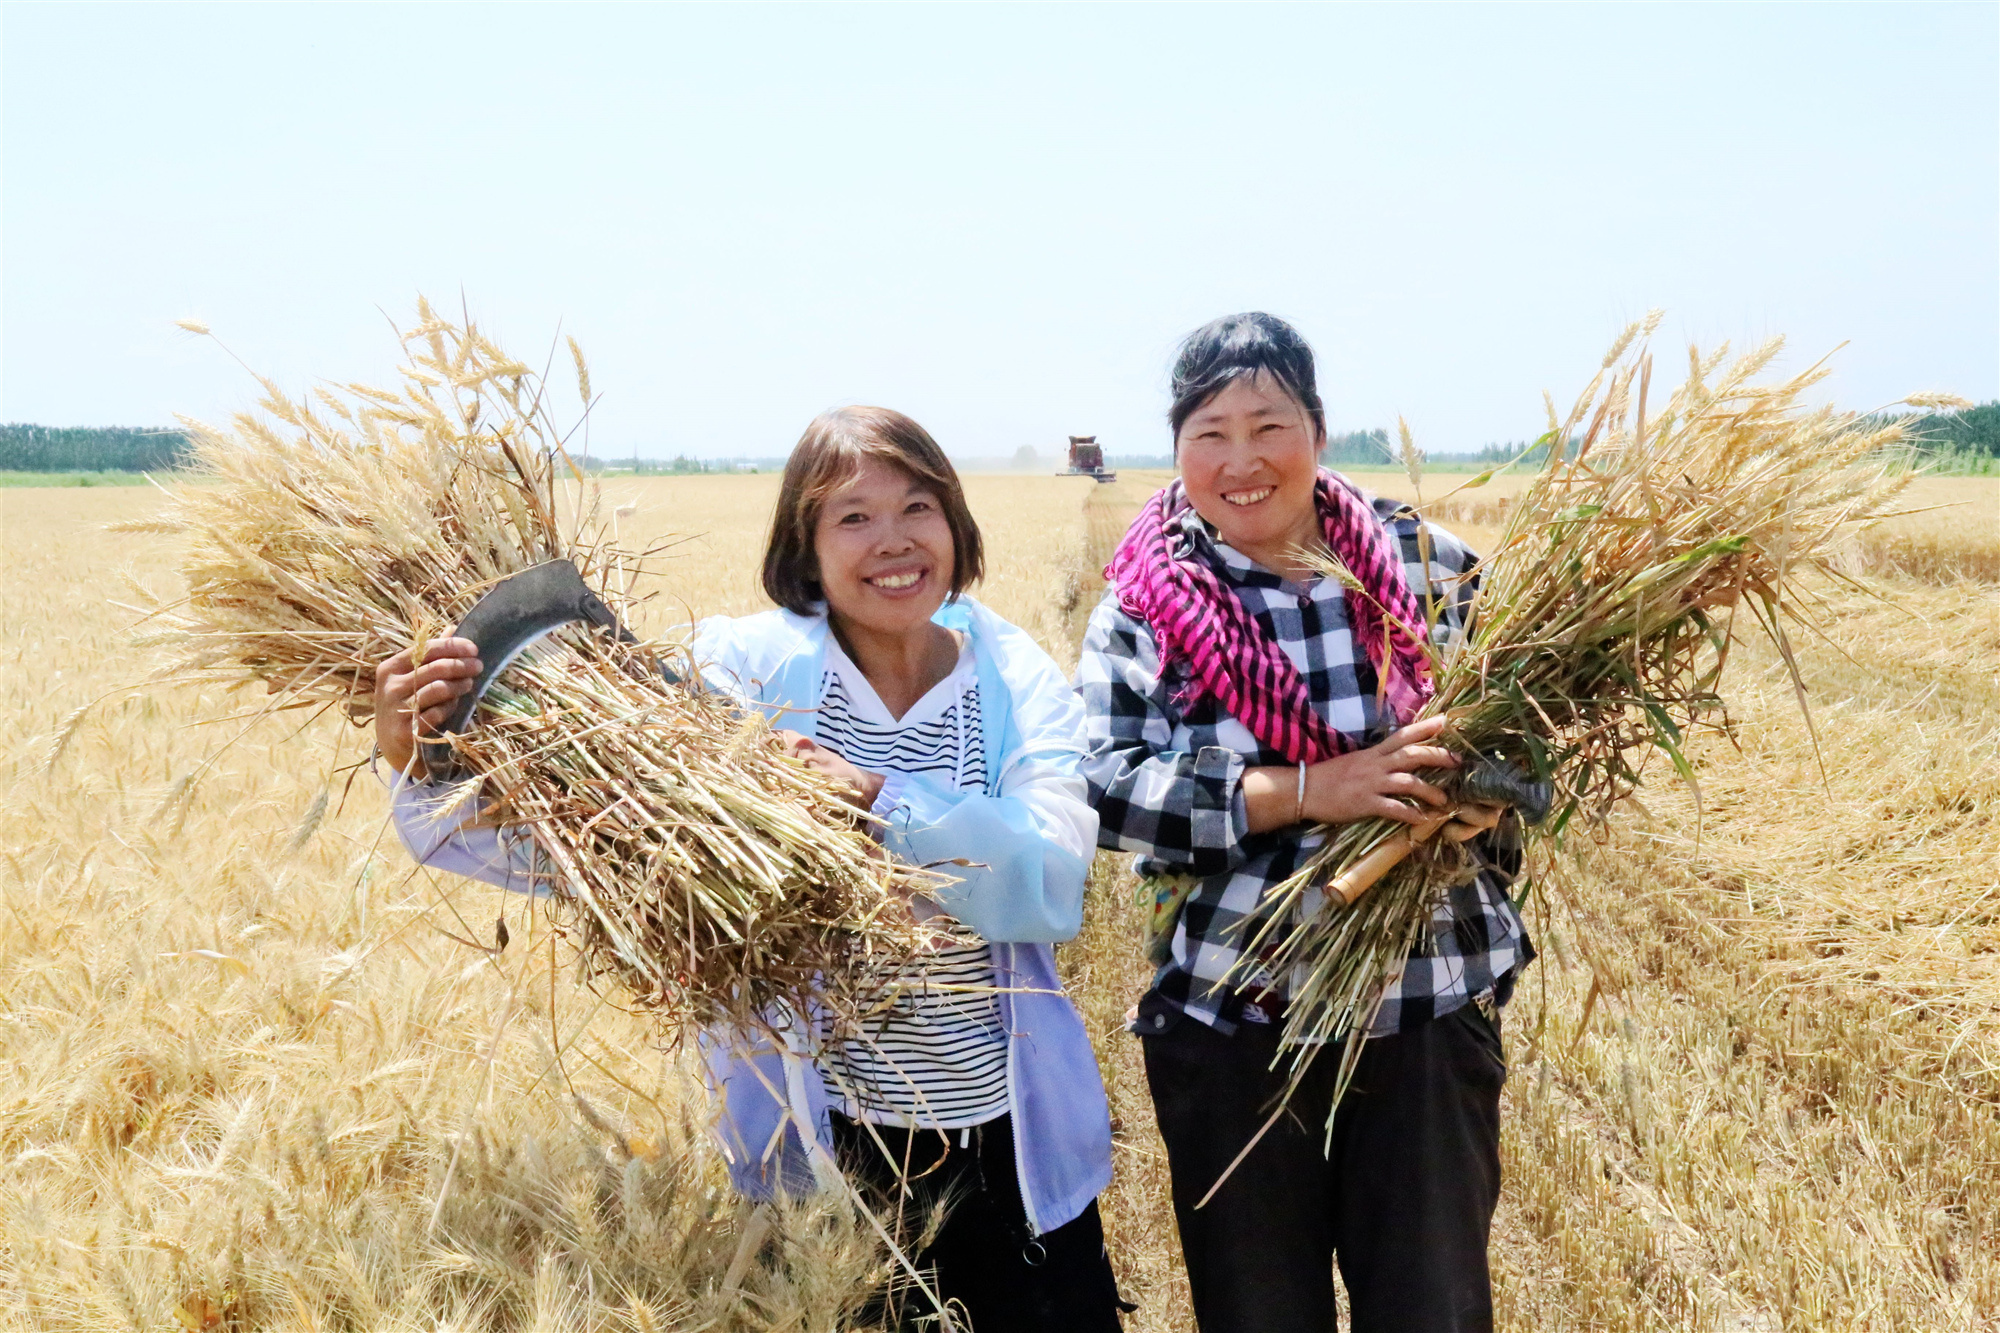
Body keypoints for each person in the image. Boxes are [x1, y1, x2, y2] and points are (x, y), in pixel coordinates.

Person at [372, 406, 1124, 1332]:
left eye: (918, 507)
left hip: (1009, 1147)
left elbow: (1051, 880)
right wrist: (422, 758)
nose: (893, 541)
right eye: (852, 517)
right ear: (804, 545)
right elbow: (594, 844)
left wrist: (878, 797)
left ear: (956, 526)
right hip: (831, 1160)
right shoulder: (737, 676)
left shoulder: (1012, 678)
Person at [1076, 313, 1533, 1333]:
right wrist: (1308, 789)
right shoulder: (1146, 604)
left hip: (1423, 1006)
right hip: (1233, 1023)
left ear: (1317, 431)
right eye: (1209, 432)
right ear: (1177, 445)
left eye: (1266, 424)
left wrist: (1481, 792)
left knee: (1431, 1311)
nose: (1240, 460)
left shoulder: (1429, 567)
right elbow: (1101, 787)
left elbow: (1545, 745)